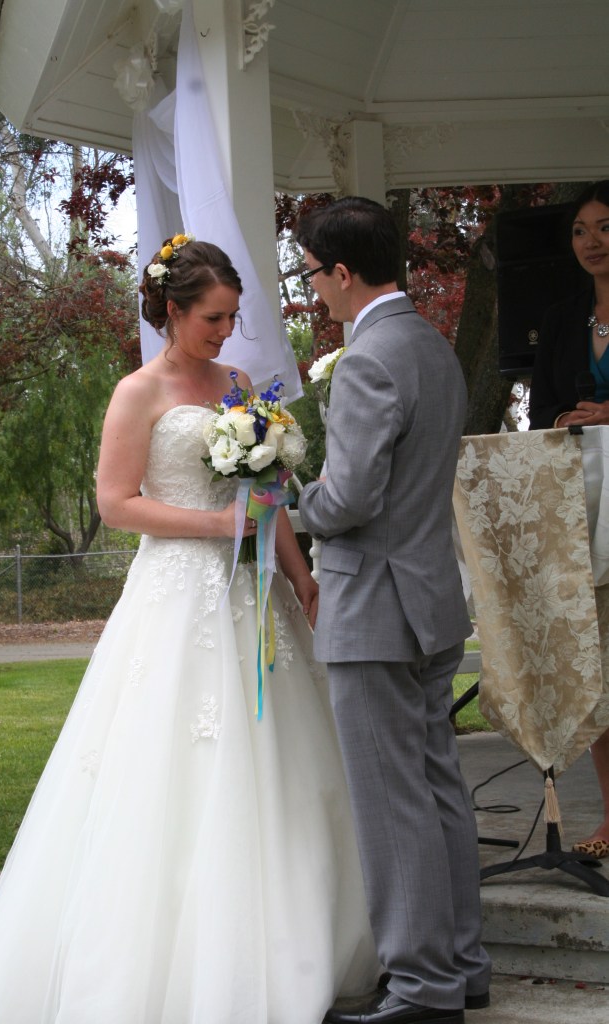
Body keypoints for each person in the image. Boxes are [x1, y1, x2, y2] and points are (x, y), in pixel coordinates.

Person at [0, 237, 379, 1023]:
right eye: (211, 317)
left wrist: (300, 574)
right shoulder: (136, 392)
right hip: (177, 596)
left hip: (258, 593)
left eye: (234, 316)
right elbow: (117, 503)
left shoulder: (239, 384)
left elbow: (265, 494)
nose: (224, 331)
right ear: (171, 311)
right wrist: (213, 528)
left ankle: (301, 939)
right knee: (178, 766)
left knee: (286, 755)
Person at [295, 197, 491, 1024]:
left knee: (391, 798)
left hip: (373, 605)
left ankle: (419, 986)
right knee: (439, 786)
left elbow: (350, 496)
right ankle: (462, 965)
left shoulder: (369, 358)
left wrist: (290, 502)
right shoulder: (432, 348)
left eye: (313, 276)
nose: (314, 293)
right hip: (429, 600)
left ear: (343, 273)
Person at [528, 180, 609, 860]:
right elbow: (539, 414)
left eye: (604, 226)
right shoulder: (560, 316)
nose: (592, 241)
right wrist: (567, 419)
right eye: (580, 229)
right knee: (598, 665)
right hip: (582, 506)